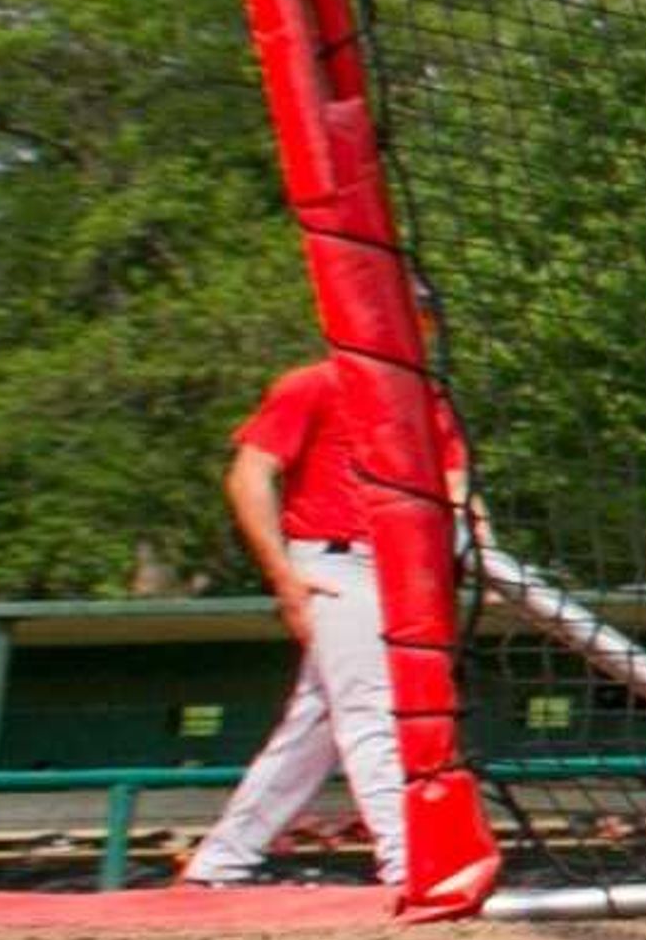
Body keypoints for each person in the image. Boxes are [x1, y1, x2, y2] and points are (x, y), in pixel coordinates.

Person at [180, 356, 466, 891]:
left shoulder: (430, 399)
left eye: (425, 314)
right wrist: (284, 575)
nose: (418, 325)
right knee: (373, 708)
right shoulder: (315, 383)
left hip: (407, 571)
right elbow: (249, 473)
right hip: (336, 563)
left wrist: (474, 551)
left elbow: (457, 487)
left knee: (314, 725)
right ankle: (410, 865)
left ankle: (217, 864)